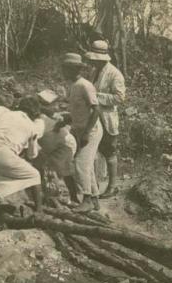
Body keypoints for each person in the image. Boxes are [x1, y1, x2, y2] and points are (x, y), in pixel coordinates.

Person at [0, 96, 43, 212]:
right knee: (35, 175)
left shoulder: (4, 115)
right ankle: (39, 210)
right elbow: (32, 155)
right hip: (3, 152)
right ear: (34, 113)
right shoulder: (32, 126)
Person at [84, 40, 126, 198]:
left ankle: (112, 185)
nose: (92, 62)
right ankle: (93, 185)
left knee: (109, 150)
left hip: (107, 118)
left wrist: (96, 96)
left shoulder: (114, 74)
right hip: (94, 117)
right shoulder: (94, 72)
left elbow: (120, 98)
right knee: (93, 150)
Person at [61, 52, 102, 212]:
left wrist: (86, 133)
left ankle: (86, 200)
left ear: (73, 69)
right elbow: (77, 111)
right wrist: (65, 121)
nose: (63, 72)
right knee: (88, 165)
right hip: (80, 129)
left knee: (80, 164)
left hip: (91, 130)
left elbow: (96, 110)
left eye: (65, 69)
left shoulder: (85, 85)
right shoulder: (72, 86)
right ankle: (94, 198)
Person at [32, 108, 79, 206]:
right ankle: (51, 196)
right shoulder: (40, 120)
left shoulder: (40, 121)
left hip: (64, 143)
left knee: (62, 171)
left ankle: (72, 198)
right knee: (48, 170)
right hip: (53, 145)